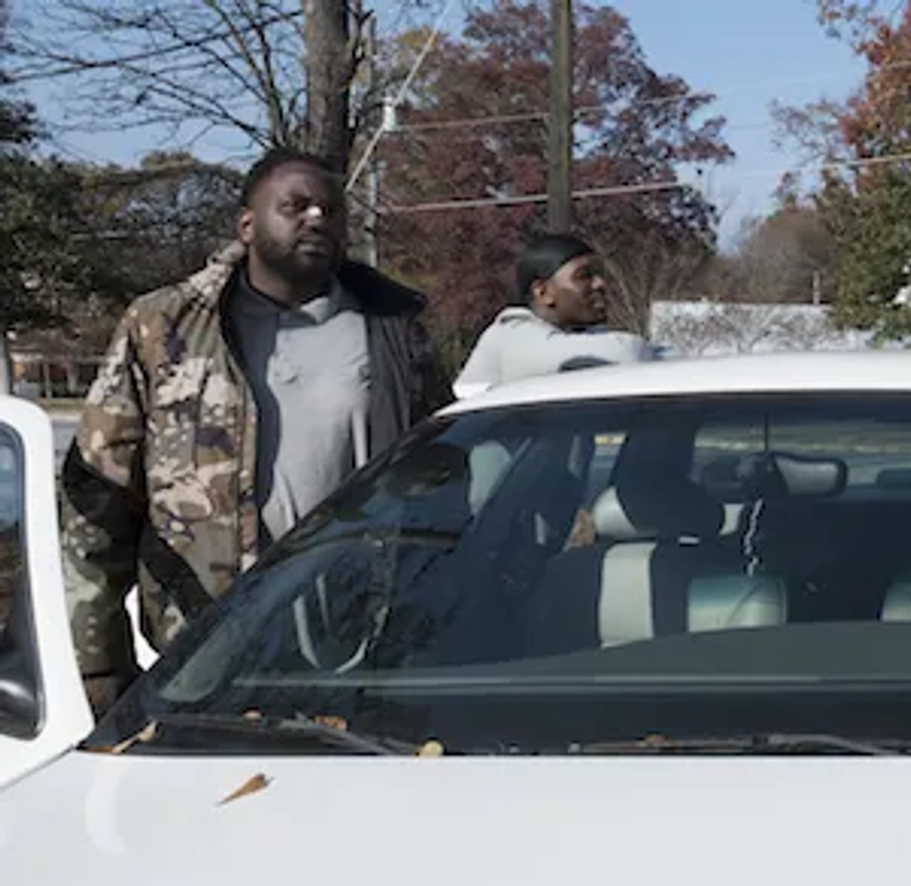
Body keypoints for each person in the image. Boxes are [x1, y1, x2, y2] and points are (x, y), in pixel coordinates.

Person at [59, 147, 450, 716]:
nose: (317, 218)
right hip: (207, 650)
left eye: (331, 209)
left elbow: (441, 478)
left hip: (364, 643)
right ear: (247, 223)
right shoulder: (165, 327)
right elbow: (97, 503)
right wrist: (102, 672)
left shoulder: (392, 329)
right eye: (294, 206)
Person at [452, 233, 655, 398]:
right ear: (543, 292)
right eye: (584, 276)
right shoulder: (512, 336)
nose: (600, 284)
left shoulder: (572, 337)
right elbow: (627, 352)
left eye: (600, 274)